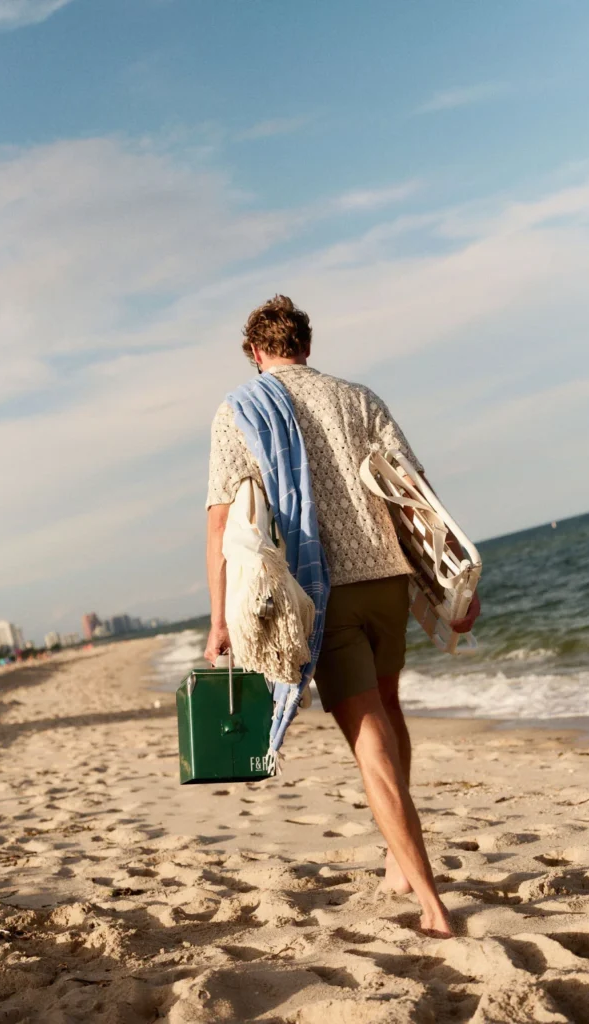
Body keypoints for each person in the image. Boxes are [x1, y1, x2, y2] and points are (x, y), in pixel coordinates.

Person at [204, 295, 480, 939]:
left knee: (367, 738)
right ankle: (397, 860)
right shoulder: (359, 398)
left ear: (256, 352)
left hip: (321, 588)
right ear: (305, 343)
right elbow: (415, 485)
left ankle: (432, 904)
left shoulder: (240, 409)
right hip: (387, 576)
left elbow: (223, 517)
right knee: (388, 706)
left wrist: (220, 617)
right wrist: (452, 577)